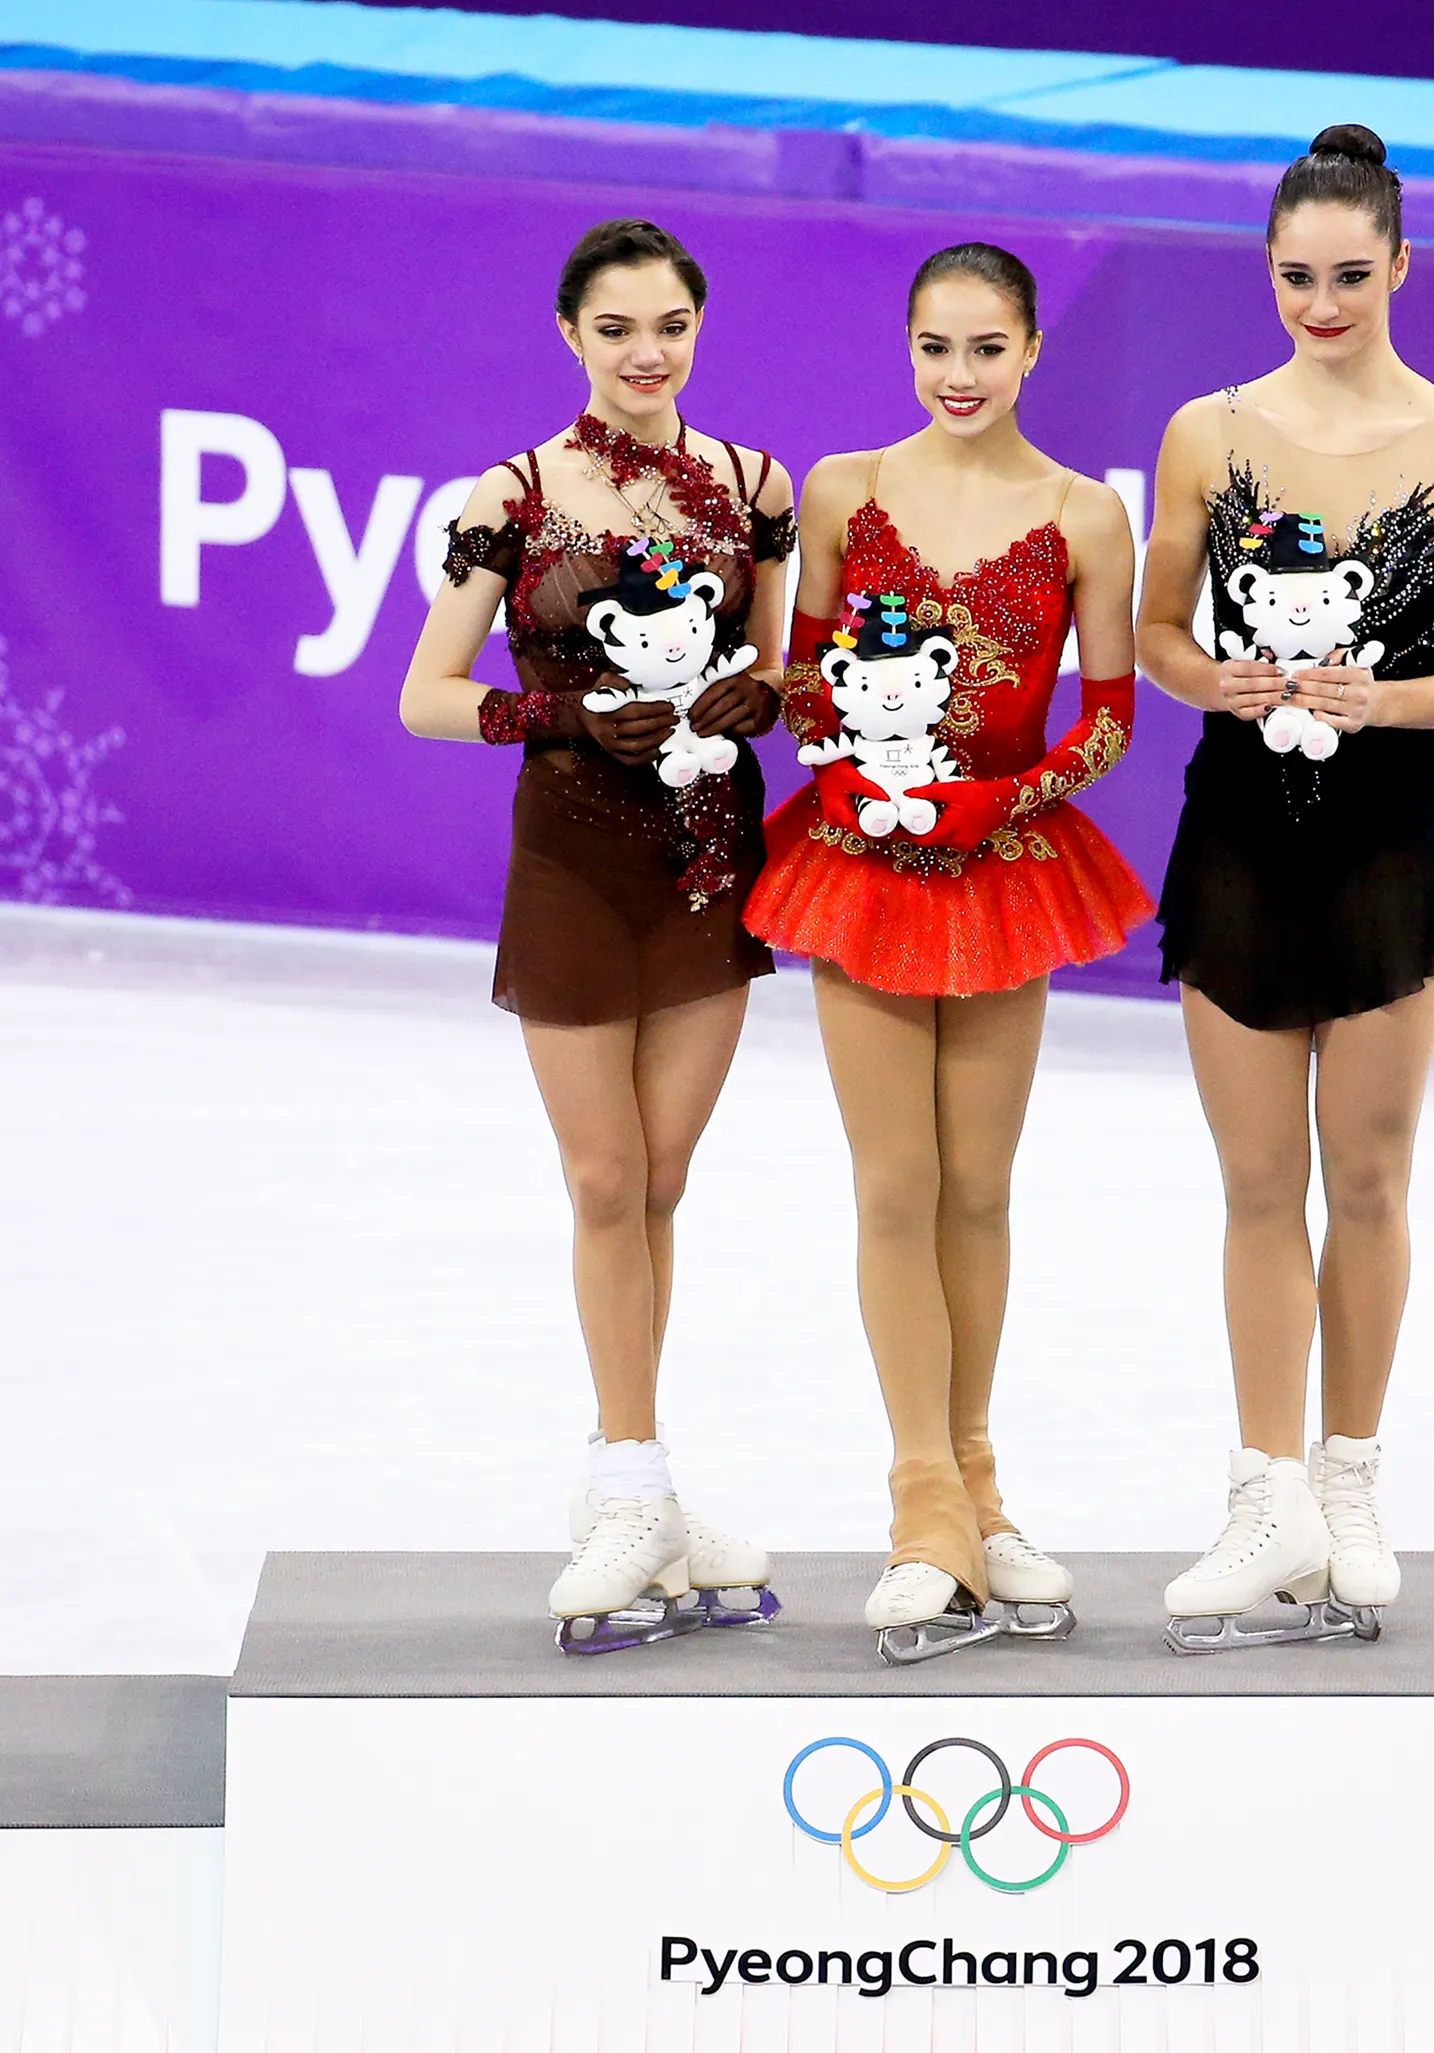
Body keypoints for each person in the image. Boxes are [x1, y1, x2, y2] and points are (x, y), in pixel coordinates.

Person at [1135, 127, 1434, 1652]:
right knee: (1256, 1185)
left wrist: (1385, 702)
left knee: (1366, 1177)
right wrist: (1217, 680)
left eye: (1350, 275)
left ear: (1402, 268)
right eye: (1298, 275)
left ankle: (1350, 1480)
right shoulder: (1205, 433)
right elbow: (1158, 634)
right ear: (1268, 271)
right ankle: (1261, 1493)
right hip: (1237, 834)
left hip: (1387, 848)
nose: (1322, 301)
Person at [746, 242, 1152, 1663]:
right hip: (864, 863)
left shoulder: (1086, 515)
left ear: (1033, 350)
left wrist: (997, 799)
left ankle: (979, 1489)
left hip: (1002, 867)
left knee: (977, 1186)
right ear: (906, 349)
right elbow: (801, 671)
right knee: (895, 1183)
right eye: (935, 347)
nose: (959, 376)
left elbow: (1108, 719)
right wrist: (844, 766)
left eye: (986, 348)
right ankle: (920, 1499)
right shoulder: (845, 490)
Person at [399, 218, 794, 1651]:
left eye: (672, 325)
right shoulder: (513, 498)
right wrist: (559, 713)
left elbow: (788, 665)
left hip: (706, 861)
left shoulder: (758, 488)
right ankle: (628, 1479)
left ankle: (644, 1483)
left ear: (699, 329)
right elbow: (427, 692)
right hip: (571, 860)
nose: (647, 354)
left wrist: (776, 697)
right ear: (571, 333)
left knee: (662, 1178)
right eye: (619, 328)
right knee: (603, 1172)